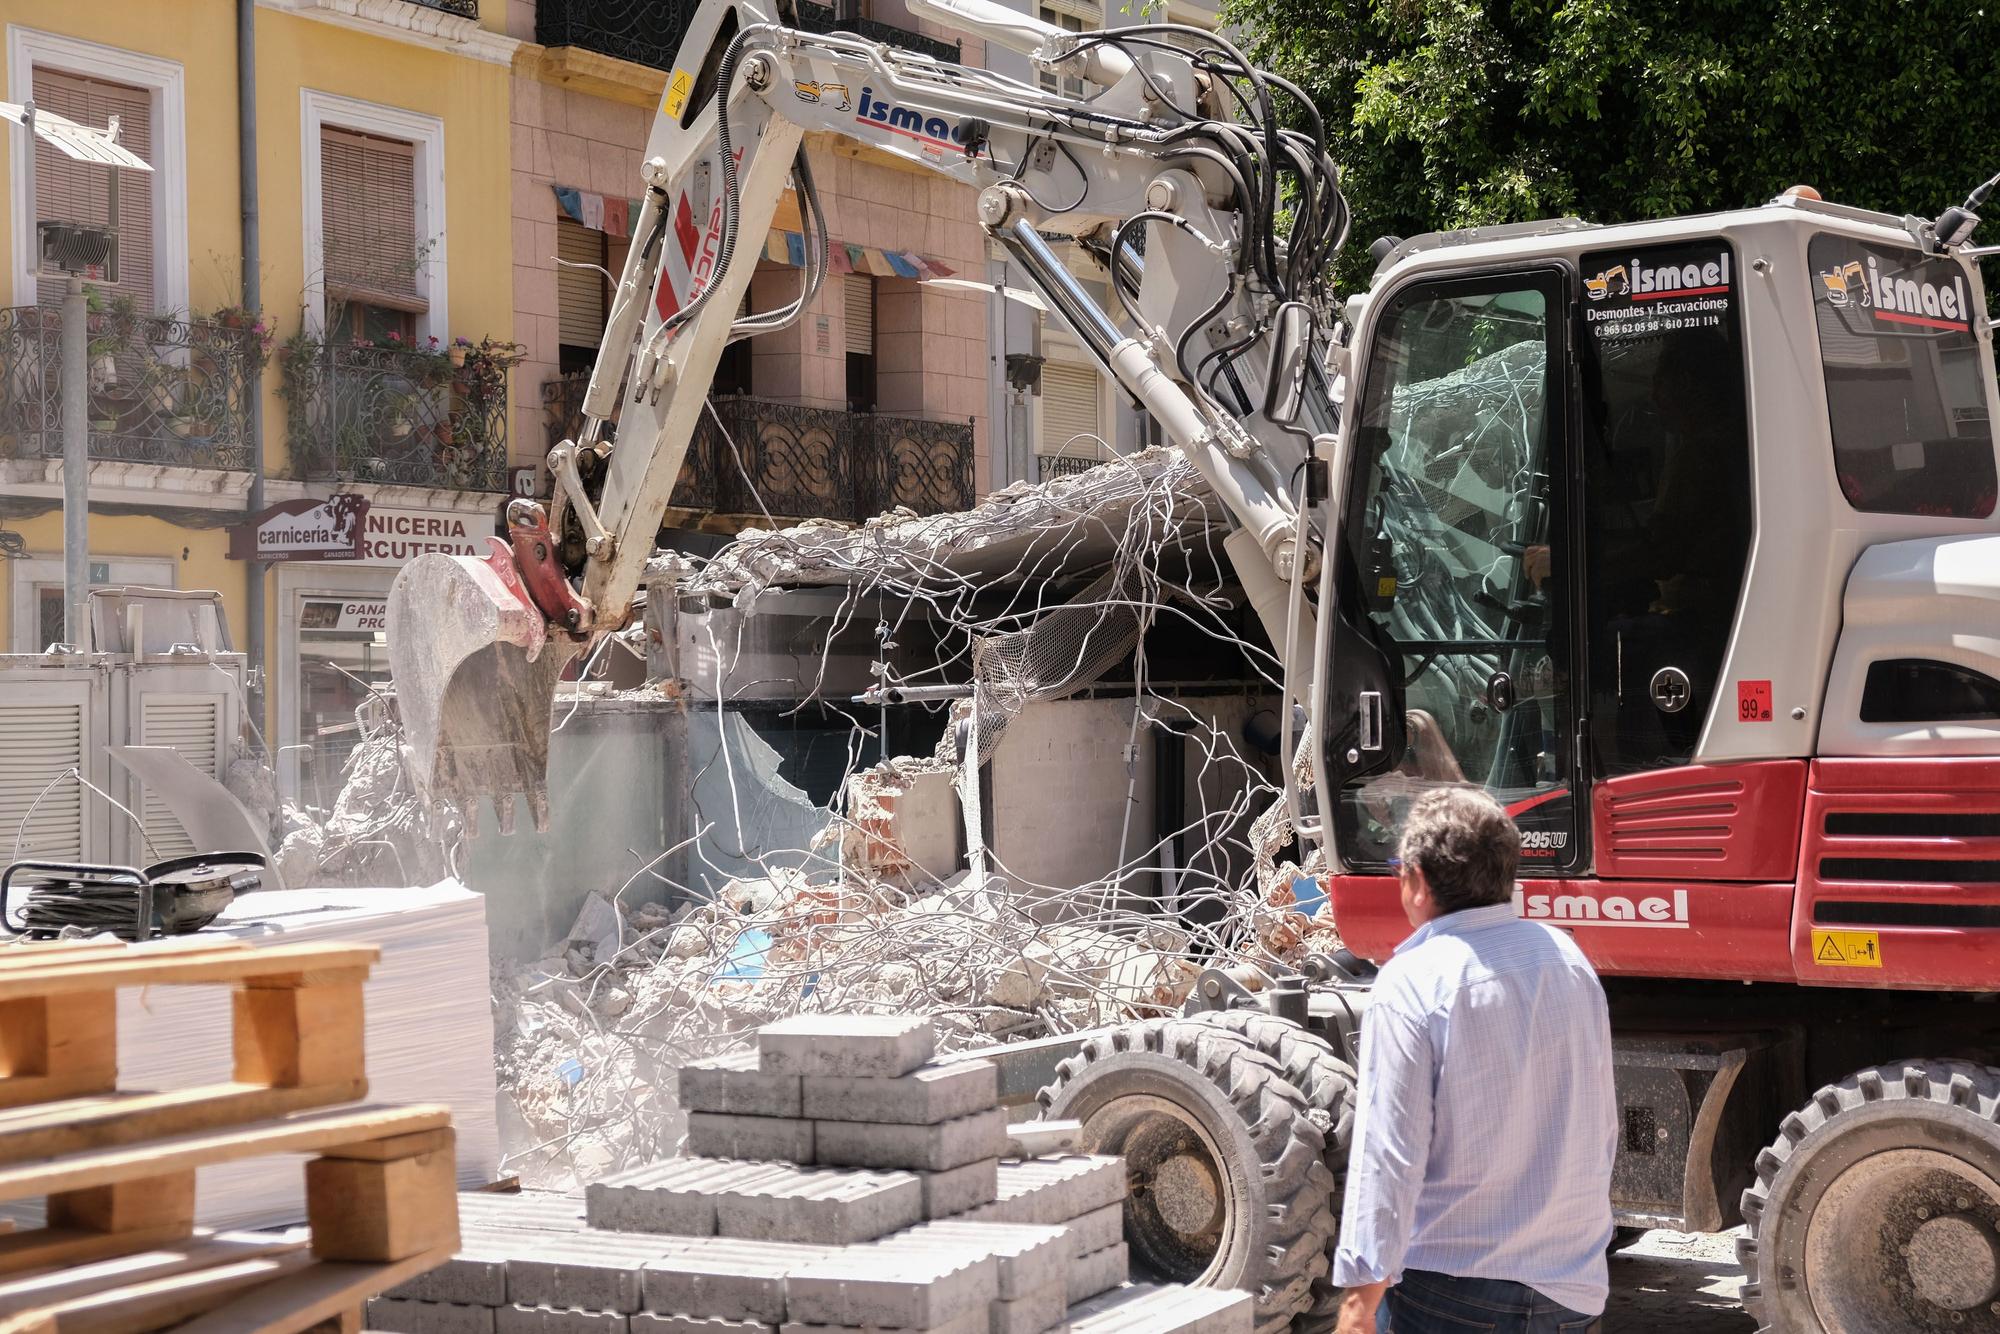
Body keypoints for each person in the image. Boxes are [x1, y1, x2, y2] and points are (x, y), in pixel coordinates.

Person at [1332, 786, 1617, 1334]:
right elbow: (1599, 1126)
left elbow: (1390, 1157)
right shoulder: (1568, 959)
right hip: (1573, 1290)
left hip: (1451, 1292)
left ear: (1415, 878)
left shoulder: (1411, 983)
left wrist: (1359, 1301)